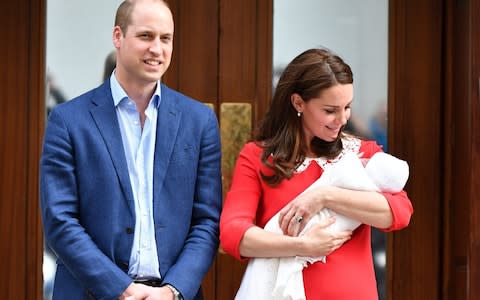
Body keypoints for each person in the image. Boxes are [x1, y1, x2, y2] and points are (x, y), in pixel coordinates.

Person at [40, 1, 222, 299]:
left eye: (166, 38)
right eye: (146, 36)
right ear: (118, 37)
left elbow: (207, 221)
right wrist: (121, 289)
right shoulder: (68, 120)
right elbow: (60, 221)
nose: (157, 48)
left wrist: (172, 290)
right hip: (92, 293)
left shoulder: (198, 121)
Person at [219, 48, 413, 299]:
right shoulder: (258, 156)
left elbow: (399, 213)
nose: (342, 119)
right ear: (298, 102)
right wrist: (302, 246)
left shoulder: (361, 153)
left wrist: (325, 196)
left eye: (347, 107)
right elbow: (234, 234)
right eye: (330, 110)